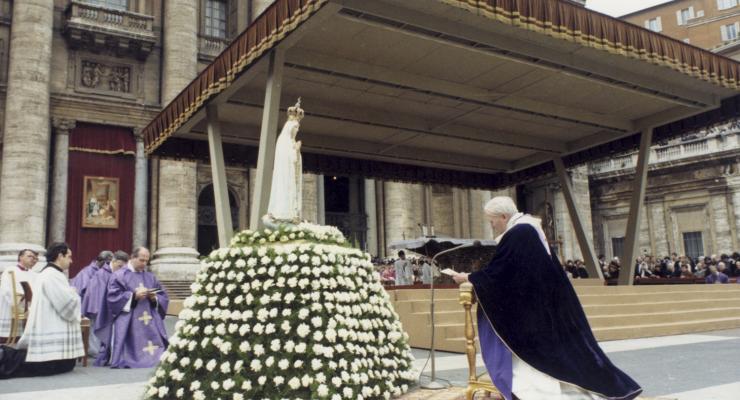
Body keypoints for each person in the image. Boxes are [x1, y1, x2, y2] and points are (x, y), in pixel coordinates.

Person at [450, 197, 641, 400]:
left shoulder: (520, 232)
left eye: (492, 220)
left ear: (504, 216)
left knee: (536, 358)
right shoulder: (527, 229)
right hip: (543, 301)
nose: (491, 224)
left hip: (535, 308)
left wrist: (468, 277)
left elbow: (502, 271)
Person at [13, 243, 84, 376]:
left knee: (65, 365)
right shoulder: (52, 275)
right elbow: (65, 303)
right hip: (50, 323)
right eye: (69, 257)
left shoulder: (51, 273)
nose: (71, 261)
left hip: (50, 320)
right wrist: (75, 294)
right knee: (49, 366)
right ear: (59, 256)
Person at [107, 247, 168, 368]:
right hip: (129, 317)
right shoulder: (119, 275)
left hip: (149, 315)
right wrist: (133, 296)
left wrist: (153, 297)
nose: (144, 264)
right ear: (132, 257)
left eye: (146, 261)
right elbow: (113, 297)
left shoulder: (150, 277)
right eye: (141, 260)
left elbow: (163, 295)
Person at [92, 251, 129, 366]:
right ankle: (103, 357)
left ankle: (113, 356)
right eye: (119, 266)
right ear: (113, 261)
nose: (120, 269)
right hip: (103, 308)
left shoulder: (119, 274)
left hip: (114, 308)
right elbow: (99, 294)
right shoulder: (102, 274)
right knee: (105, 333)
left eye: (123, 266)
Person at [0, 249, 38, 342]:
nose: (32, 259)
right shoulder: (10, 270)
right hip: (13, 306)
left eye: (34, 257)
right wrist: (20, 298)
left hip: (28, 306)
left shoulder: (34, 274)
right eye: (29, 256)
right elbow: (6, 290)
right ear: (20, 257)